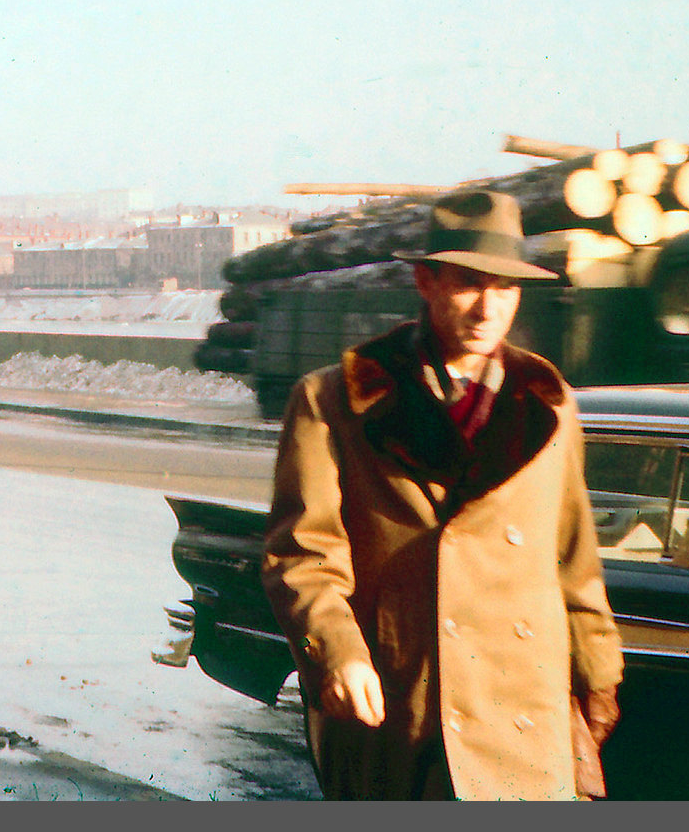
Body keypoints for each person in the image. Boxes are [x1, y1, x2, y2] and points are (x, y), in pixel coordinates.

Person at [262, 189, 625, 801]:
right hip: (401, 704)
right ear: (425, 282)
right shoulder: (336, 401)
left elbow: (574, 562)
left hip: (520, 712)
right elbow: (303, 554)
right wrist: (340, 654)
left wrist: (598, 678)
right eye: (468, 284)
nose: (487, 309)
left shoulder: (548, 404)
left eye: (505, 290)